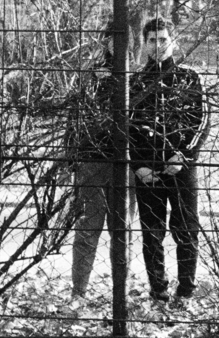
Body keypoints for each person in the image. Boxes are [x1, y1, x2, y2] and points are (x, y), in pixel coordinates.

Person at [129, 16, 205, 309]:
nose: (158, 45)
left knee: (186, 230)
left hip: (182, 169)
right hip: (148, 171)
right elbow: (127, 127)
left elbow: (202, 120)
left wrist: (183, 156)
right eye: (152, 40)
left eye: (163, 39)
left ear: (173, 41)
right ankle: (158, 291)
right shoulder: (135, 81)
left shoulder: (190, 77)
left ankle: (185, 292)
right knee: (151, 233)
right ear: (144, 43)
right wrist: (139, 165)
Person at [66, 17, 125, 301]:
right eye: (113, 38)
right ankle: (79, 292)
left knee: (122, 230)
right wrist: (71, 155)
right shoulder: (91, 75)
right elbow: (75, 115)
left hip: (125, 163)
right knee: (89, 228)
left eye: (124, 38)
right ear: (106, 41)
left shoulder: (139, 76)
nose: (119, 44)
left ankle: (119, 295)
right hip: (92, 159)